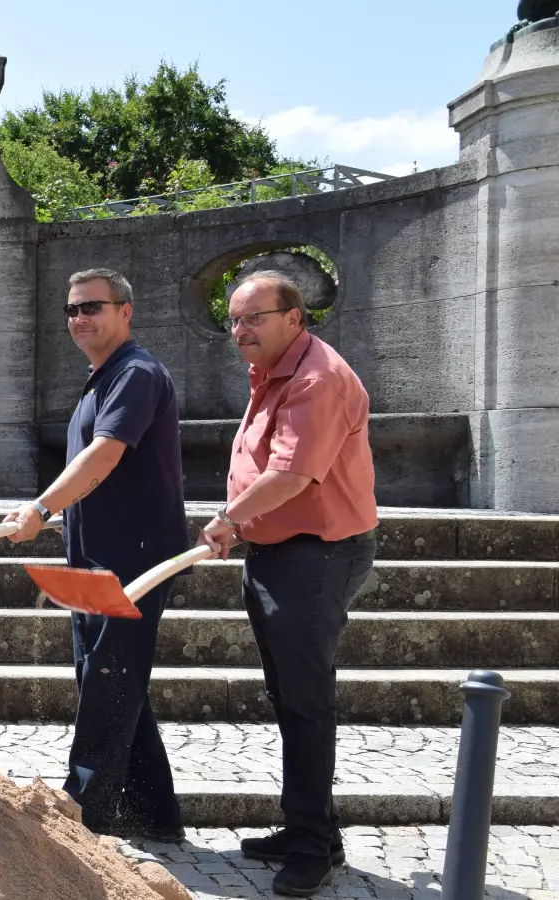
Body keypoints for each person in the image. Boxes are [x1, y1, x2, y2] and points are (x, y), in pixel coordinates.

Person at [197, 272, 377, 898]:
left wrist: (228, 519)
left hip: (317, 556)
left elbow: (293, 475)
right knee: (290, 696)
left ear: (294, 317)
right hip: (280, 552)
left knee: (305, 701)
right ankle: (313, 830)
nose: (239, 330)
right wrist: (243, 526)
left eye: (254, 318)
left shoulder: (315, 379)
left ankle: (311, 848)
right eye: (234, 319)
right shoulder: (276, 367)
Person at [1, 269, 188, 841]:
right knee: (107, 676)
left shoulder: (135, 374)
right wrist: (66, 518)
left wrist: (42, 508)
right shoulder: (101, 378)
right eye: (73, 309)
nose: (80, 318)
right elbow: (104, 475)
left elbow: (104, 456)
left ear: (125, 311)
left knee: (109, 679)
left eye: (92, 307)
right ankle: (156, 815)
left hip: (136, 558)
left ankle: (82, 813)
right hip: (98, 554)